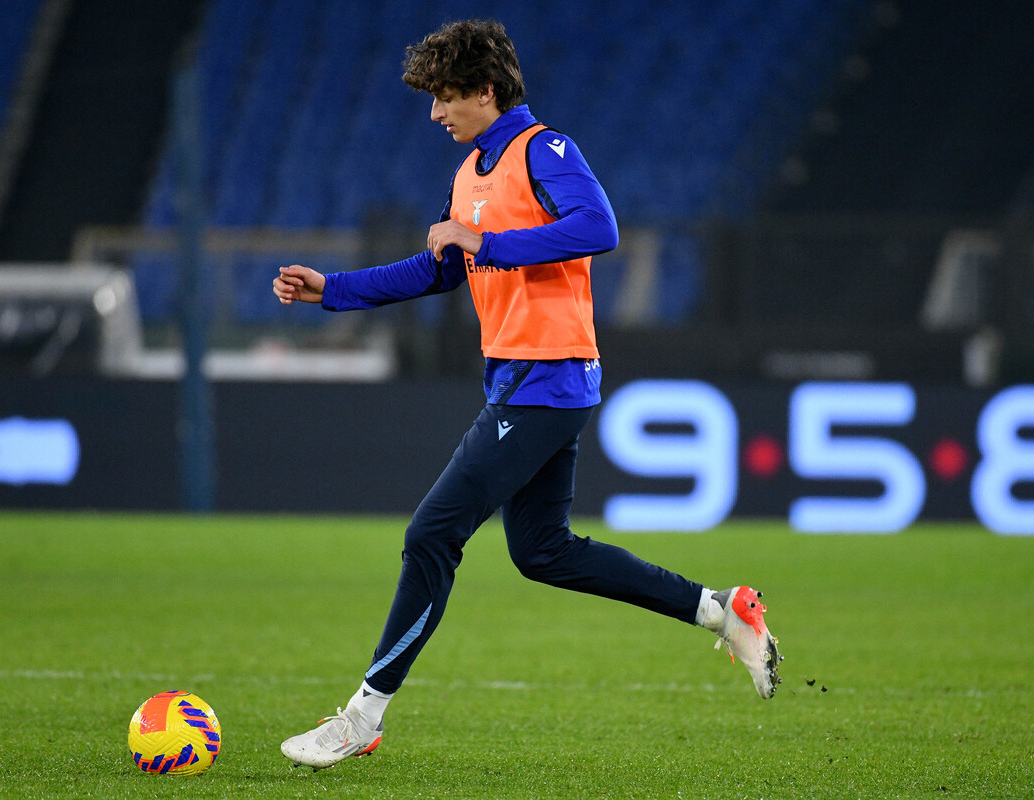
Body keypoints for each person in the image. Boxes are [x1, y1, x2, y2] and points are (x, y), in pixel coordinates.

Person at [272, 19, 781, 771]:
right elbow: (442, 267)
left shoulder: (543, 149)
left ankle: (363, 716)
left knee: (431, 535)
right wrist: (334, 291)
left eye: (446, 97)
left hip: (549, 377)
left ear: (485, 90)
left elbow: (598, 226)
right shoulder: (471, 170)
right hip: (523, 378)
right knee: (543, 552)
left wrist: (492, 245)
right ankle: (722, 610)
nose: (435, 113)